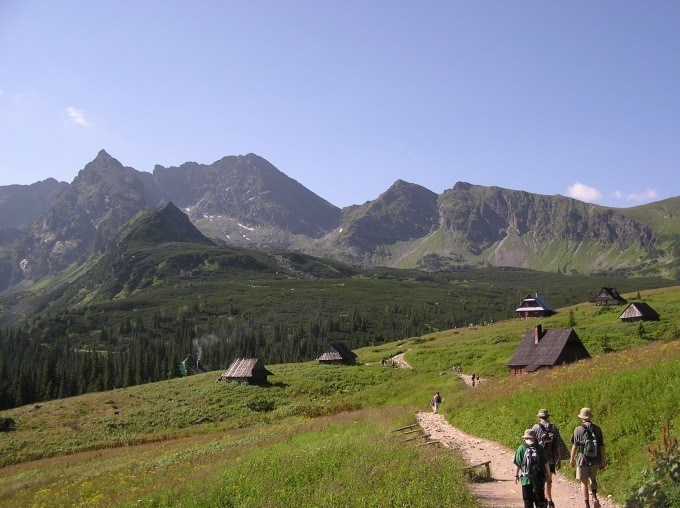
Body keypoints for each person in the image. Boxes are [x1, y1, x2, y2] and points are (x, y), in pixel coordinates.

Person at [569, 408, 606, 508]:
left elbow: (575, 446)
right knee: (593, 479)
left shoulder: (578, 429)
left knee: (583, 482)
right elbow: (601, 447)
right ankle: (594, 497)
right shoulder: (597, 429)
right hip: (594, 458)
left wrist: (571, 459)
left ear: (582, 418)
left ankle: (587, 504)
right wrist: (603, 461)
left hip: (582, 459)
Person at [532, 409, 569, 508]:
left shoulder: (535, 428)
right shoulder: (554, 428)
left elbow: (532, 444)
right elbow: (558, 445)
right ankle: (550, 500)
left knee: (539, 480)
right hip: (551, 459)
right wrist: (559, 459)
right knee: (549, 479)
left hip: (539, 458)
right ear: (548, 417)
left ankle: (541, 499)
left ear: (539, 417)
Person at [514, 428, 550, 508]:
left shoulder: (521, 448)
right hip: (538, 479)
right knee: (539, 502)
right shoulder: (540, 448)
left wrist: (516, 475)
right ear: (534, 437)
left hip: (525, 479)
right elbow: (546, 463)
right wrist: (548, 475)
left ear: (525, 438)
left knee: (528, 501)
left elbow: (518, 464)